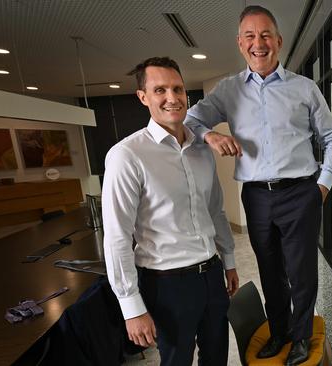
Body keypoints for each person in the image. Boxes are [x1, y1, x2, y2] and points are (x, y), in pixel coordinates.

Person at [185, 5, 332, 365]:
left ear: (279, 41)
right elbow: (192, 119)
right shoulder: (228, 91)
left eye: (266, 35)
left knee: (301, 273)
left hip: (302, 193)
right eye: (251, 37)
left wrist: (323, 185)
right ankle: (280, 332)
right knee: (270, 272)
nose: (259, 43)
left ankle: (301, 337)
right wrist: (210, 135)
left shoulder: (303, 88)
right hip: (256, 198)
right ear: (241, 44)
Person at [102, 56, 239, 366]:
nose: (172, 98)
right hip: (167, 284)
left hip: (211, 274)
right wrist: (131, 306)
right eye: (160, 90)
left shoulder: (202, 149)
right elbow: (117, 237)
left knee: (216, 357)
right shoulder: (127, 156)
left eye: (177, 89)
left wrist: (228, 260)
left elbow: (215, 211)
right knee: (176, 361)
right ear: (143, 97)